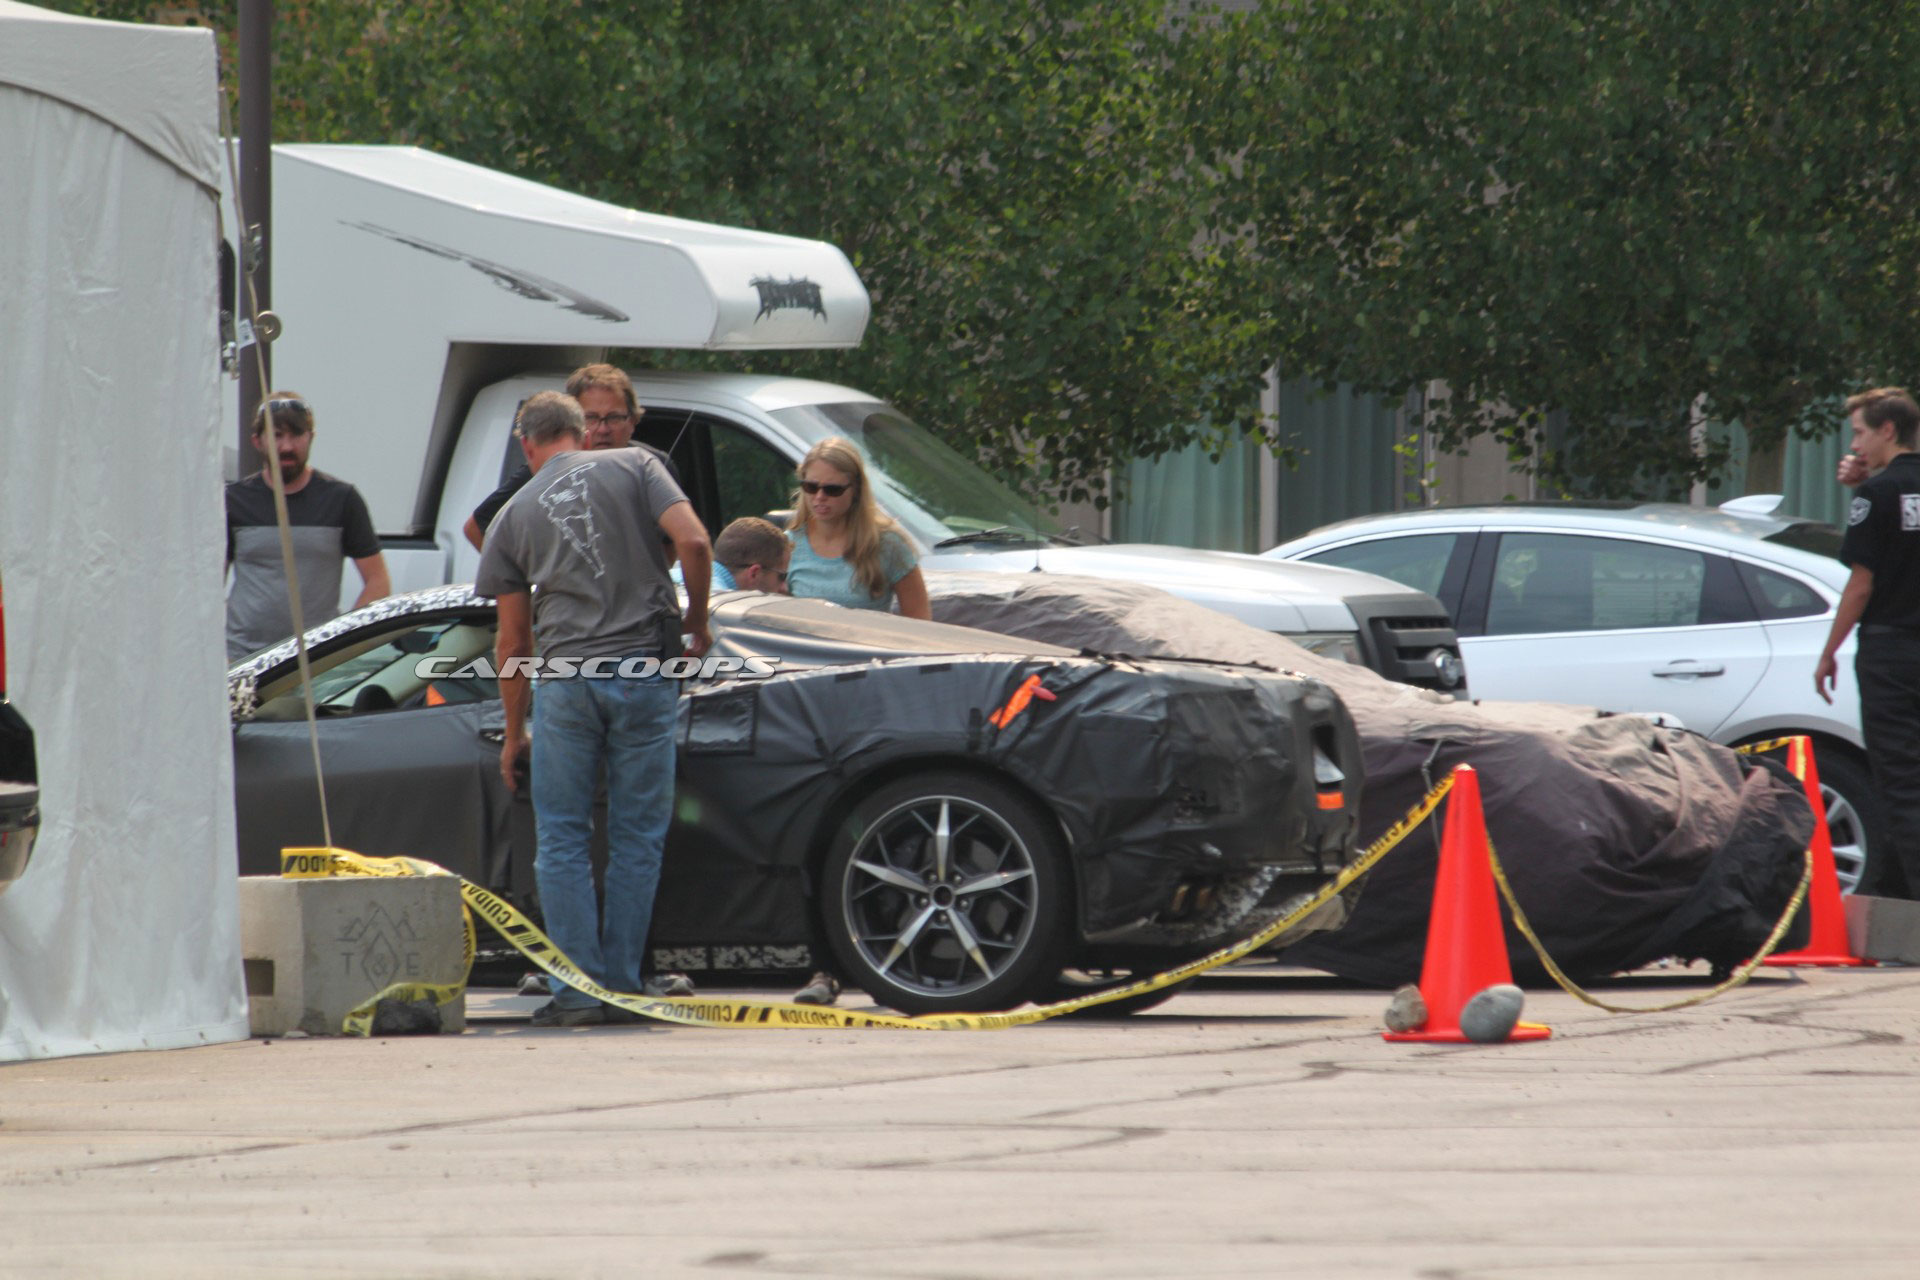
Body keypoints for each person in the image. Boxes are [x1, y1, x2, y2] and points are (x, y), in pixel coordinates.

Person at [476, 391, 713, 1025]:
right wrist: (697, 625)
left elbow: (514, 642)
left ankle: (578, 994)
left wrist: (513, 732)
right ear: (581, 434)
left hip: (566, 683)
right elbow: (693, 542)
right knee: (638, 836)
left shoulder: (512, 516)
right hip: (644, 671)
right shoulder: (637, 466)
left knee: (562, 839)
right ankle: (625, 985)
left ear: (527, 446)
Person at [1815, 386, 1920, 900]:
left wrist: (1829, 650)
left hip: (1892, 652)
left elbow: (1862, 583)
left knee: (1901, 779)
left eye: (1859, 432)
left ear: (1887, 430)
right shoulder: (1878, 487)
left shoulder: (1876, 494)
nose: (1854, 445)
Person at [226, 393, 390, 660]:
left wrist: (345, 639)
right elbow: (207, 585)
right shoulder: (234, 500)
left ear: (311, 437)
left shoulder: (341, 499)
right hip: (243, 658)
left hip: (317, 660)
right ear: (257, 441)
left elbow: (378, 580)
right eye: (277, 435)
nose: (287, 446)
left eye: (297, 435)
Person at [462, 363, 685, 551]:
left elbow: (677, 541)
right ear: (575, 424)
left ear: (633, 421)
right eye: (591, 418)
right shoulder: (548, 469)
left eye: (614, 418)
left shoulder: (655, 466)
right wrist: (525, 584)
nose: (603, 429)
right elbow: (477, 527)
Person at [784, 436, 930, 619]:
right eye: (811, 487)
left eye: (832, 489)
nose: (820, 496)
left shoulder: (888, 545)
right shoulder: (788, 546)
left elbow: (921, 625)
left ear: (856, 490)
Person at [711, 516, 791, 593]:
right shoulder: (722, 601)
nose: (784, 588)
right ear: (754, 574)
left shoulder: (704, 582)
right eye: (782, 577)